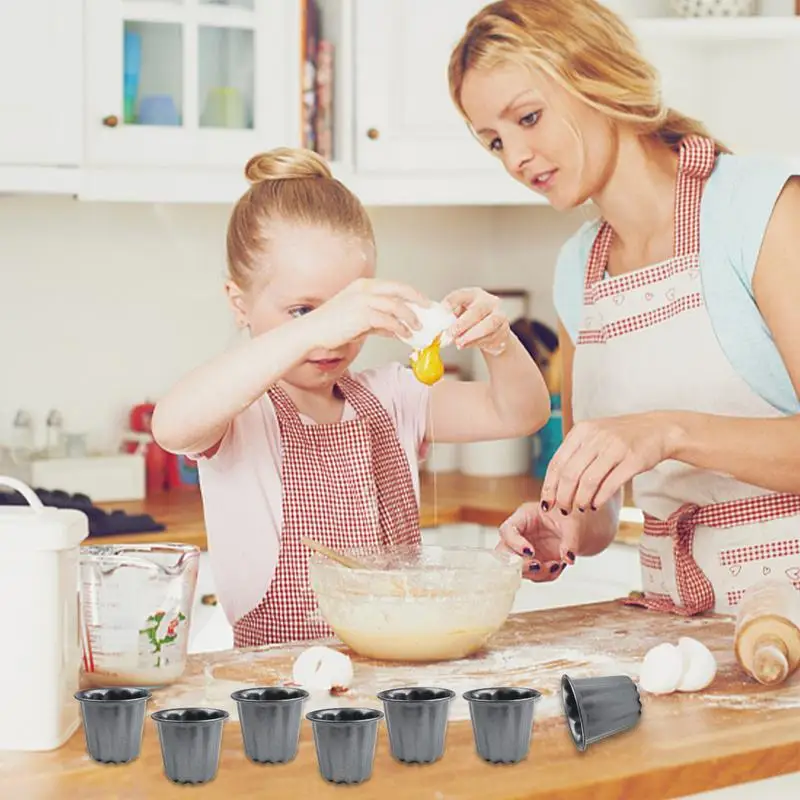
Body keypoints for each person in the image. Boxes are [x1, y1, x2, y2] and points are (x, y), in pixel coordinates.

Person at [448, 0, 800, 616]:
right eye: (495, 142)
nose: (515, 159)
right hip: (677, 635)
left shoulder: (765, 211)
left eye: (529, 118)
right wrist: (562, 529)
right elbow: (600, 517)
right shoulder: (576, 270)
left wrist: (667, 432)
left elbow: (655, 437)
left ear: (598, 77)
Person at [152, 146, 550, 646]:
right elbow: (171, 426)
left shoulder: (392, 396)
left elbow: (521, 411)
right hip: (280, 686)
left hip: (396, 667)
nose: (333, 339)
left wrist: (498, 339)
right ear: (239, 303)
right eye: (303, 311)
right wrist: (319, 325)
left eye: (348, 312)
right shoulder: (241, 414)